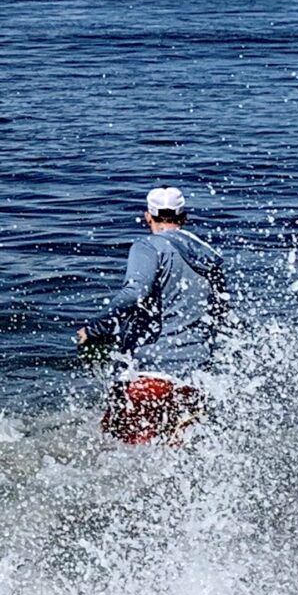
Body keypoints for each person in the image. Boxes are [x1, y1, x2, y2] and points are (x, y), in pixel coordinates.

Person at [76, 186, 227, 442]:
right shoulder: (210, 258)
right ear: (184, 218)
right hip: (194, 380)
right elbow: (221, 313)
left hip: (148, 377)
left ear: (148, 216)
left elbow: (135, 293)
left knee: (114, 452)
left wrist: (94, 329)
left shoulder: (148, 247)